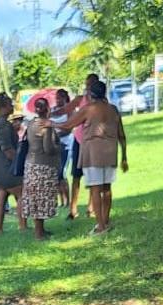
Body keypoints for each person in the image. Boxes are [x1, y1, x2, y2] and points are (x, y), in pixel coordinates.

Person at [49, 81, 128, 235]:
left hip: (93, 152)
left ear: (91, 94)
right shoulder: (113, 109)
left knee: (95, 189)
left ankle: (100, 226)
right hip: (110, 151)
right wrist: (124, 156)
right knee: (107, 189)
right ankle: (105, 220)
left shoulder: (88, 109)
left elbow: (67, 125)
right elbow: (122, 135)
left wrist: (49, 123)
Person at [21, 98, 60, 240]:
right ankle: (39, 234)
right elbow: (48, 148)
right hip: (43, 167)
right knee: (41, 199)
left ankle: (41, 230)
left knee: (36, 199)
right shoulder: (46, 126)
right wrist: (58, 148)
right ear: (47, 109)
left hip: (31, 166)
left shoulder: (31, 123)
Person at [65, 73, 100, 219]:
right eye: (86, 84)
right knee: (76, 175)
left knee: (93, 175)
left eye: (90, 84)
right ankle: (73, 209)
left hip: (93, 142)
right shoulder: (81, 99)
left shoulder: (100, 103)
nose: (88, 87)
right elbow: (67, 110)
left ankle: (91, 207)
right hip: (79, 141)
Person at [0, 92, 24, 235]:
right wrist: (20, 164)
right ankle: (23, 226)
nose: (13, 106)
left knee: (2, 195)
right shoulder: (3, 124)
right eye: (10, 104)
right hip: (4, 167)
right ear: (3, 106)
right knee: (23, 192)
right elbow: (8, 150)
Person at [50, 89, 74, 207]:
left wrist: (57, 135)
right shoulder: (53, 110)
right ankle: (60, 200)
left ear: (65, 98)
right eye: (57, 97)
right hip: (54, 146)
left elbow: (69, 127)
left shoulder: (70, 110)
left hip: (65, 143)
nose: (58, 100)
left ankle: (67, 200)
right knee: (55, 174)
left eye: (60, 98)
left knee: (62, 173)